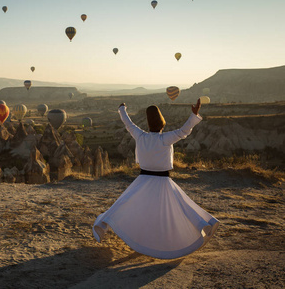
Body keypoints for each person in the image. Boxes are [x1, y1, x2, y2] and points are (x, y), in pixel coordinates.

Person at [93, 99, 219, 259]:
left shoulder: (140, 136)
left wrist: (122, 109)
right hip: (162, 183)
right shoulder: (165, 138)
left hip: (143, 181)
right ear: (161, 122)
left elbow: (128, 123)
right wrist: (193, 115)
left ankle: (140, 241)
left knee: (131, 208)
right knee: (177, 211)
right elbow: (184, 131)